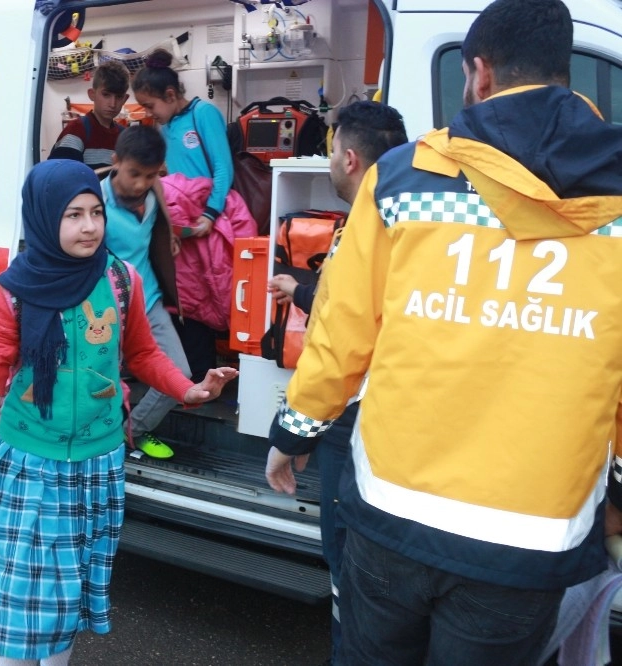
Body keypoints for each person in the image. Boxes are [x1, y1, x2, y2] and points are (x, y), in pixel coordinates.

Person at [265, 0, 622, 663]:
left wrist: (295, 432)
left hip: (392, 516)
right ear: (562, 70)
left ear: (478, 73)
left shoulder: (401, 183)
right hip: (531, 540)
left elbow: (344, 333)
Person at [0, 159, 237, 666]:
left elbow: (141, 354)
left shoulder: (121, 280)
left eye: (96, 212)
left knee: (66, 603)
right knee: (20, 610)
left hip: (97, 466)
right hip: (29, 467)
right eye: (73, 214)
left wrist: (188, 391)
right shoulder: (12, 292)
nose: (90, 226)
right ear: (45, 216)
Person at [266, 100, 407, 665]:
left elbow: (341, 335)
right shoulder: (425, 218)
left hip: (354, 417)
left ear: (349, 158)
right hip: (403, 419)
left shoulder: (367, 226)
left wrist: (292, 434)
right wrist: (301, 290)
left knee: (350, 565)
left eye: (329, 152)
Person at [132, 48, 235, 382]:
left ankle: (212, 376)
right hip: (183, 223)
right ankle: (191, 378)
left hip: (210, 217)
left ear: (171, 94)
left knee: (213, 293)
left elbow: (222, 167)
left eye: (150, 106)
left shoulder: (203, 113)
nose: (149, 113)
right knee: (187, 301)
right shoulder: (166, 126)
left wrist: (210, 213)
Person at [101, 124, 188, 459]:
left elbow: (161, 225)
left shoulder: (155, 193)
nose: (139, 184)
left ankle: (131, 432)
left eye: (150, 176)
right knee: (102, 383)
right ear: (115, 162)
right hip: (105, 308)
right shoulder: (94, 202)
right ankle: (100, 444)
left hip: (147, 299)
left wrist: (172, 240)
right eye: (133, 173)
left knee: (178, 375)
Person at [49, 60, 130, 169]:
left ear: (125, 99)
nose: (113, 104)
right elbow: (61, 179)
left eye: (119, 97)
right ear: (92, 94)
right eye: (106, 95)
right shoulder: (76, 131)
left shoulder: (126, 137)